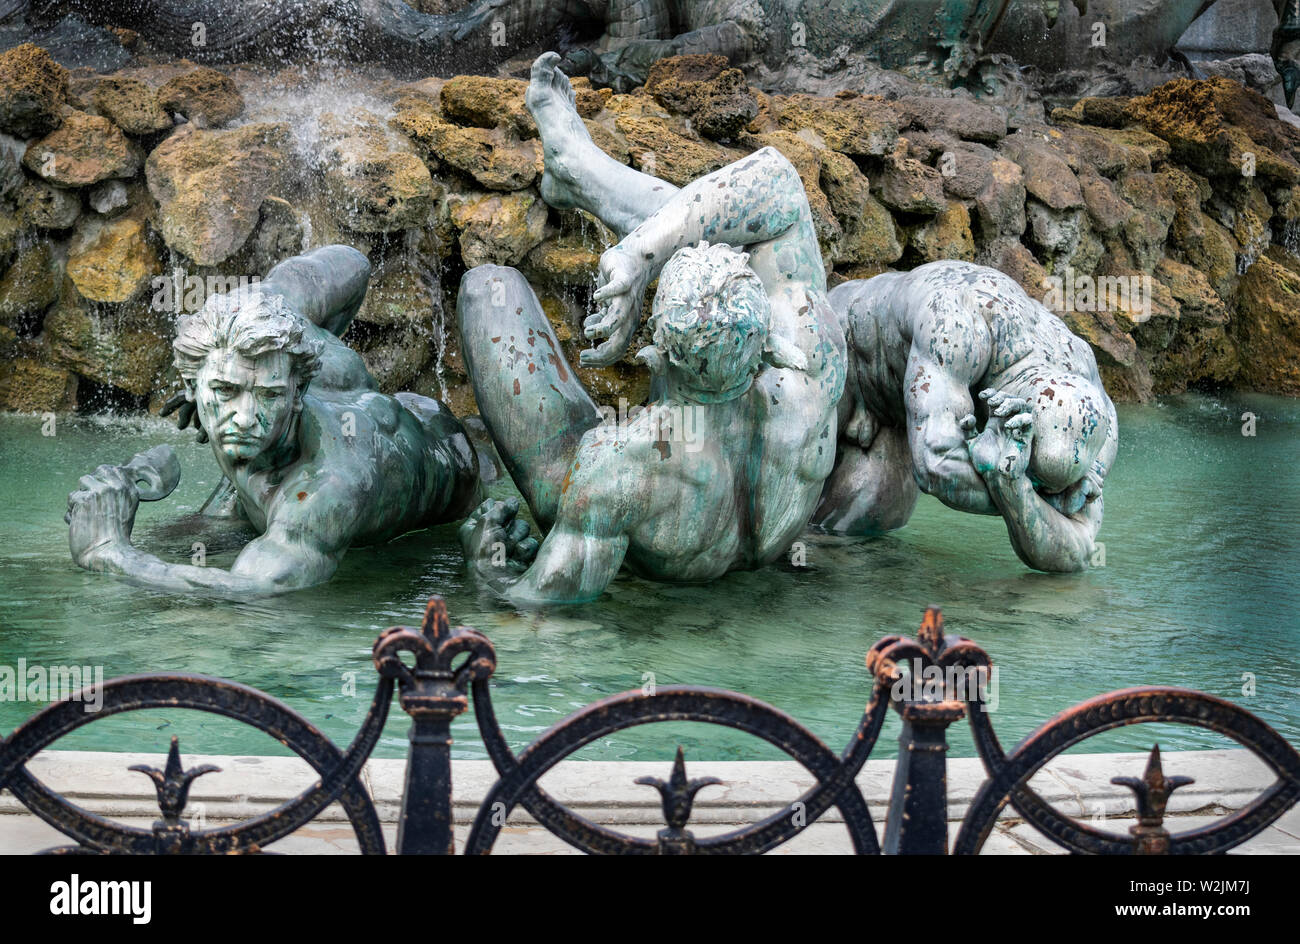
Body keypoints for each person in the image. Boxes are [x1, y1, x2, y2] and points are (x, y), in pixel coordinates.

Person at [455, 52, 845, 605]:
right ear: (765, 336)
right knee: (713, 232)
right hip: (774, 537)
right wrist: (643, 255)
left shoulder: (617, 467)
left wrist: (484, 566)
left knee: (487, 287)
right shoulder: (813, 352)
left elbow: (538, 616)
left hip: (654, 528)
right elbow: (776, 185)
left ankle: (577, 172)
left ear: (655, 356)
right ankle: (578, 169)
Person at [65, 246, 480, 594]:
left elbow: (257, 591)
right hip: (361, 413)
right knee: (191, 530)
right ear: (192, 384)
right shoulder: (279, 324)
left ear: (299, 391)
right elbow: (353, 263)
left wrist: (111, 551)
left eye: (269, 394)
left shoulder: (329, 489)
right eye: (225, 390)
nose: (244, 418)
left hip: (450, 461)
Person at [814, 261, 1117, 572]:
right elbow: (935, 464)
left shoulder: (1093, 412)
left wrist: (1015, 487)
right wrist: (1013, 490)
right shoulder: (956, 326)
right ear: (1007, 417)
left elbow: (1078, 553)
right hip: (841, 340)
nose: (1046, 494)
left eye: (1049, 489)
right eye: (1034, 478)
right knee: (784, 516)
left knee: (855, 530)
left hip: (901, 405)